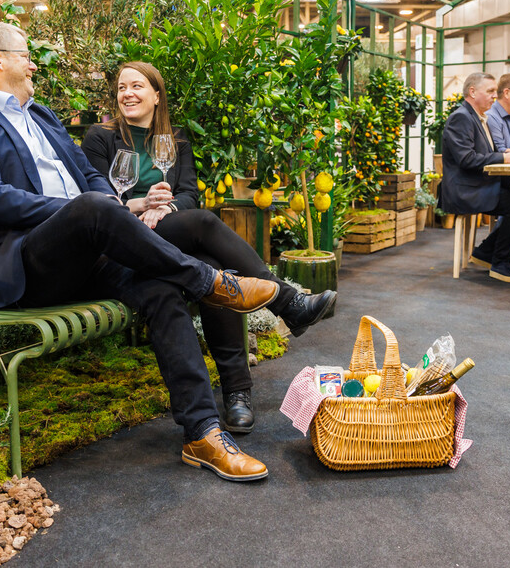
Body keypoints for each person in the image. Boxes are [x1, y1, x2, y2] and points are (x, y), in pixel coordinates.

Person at [0, 22, 281, 482]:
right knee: (94, 209)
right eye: (25, 53)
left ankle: (202, 433)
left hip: (89, 252)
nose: (33, 61)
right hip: (27, 264)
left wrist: (99, 208)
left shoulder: (40, 116)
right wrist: (77, 212)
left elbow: (90, 176)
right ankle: (213, 283)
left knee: (160, 288)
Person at [82, 61, 337, 434]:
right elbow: (95, 197)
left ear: (156, 95)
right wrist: (139, 207)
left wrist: (165, 208)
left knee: (216, 267)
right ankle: (285, 301)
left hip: (165, 229)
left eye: (137, 86)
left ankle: (237, 391)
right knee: (204, 224)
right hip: (122, 238)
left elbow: (188, 194)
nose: (127, 94)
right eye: (121, 88)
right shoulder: (100, 137)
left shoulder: (176, 139)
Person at [439, 72, 510, 283]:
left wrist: (505, 156)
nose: (494, 96)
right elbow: (467, 159)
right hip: (465, 191)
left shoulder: (478, 118)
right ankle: (499, 262)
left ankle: (487, 251)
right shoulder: (461, 117)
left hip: (477, 185)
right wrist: (503, 158)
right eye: (490, 91)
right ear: (472, 92)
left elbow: (478, 156)